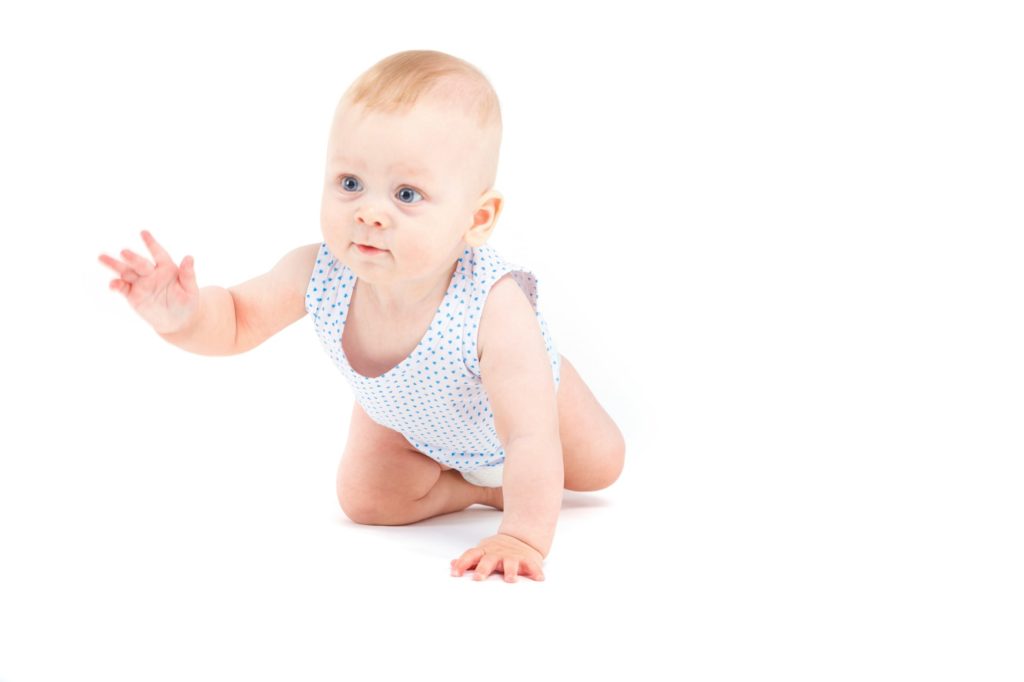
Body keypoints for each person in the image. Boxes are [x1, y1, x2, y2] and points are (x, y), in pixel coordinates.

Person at [97, 50, 625, 583]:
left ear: (477, 218)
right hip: (404, 418)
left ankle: (511, 491)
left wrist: (521, 535)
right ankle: (483, 489)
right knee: (366, 501)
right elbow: (236, 319)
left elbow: (529, 437)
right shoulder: (319, 271)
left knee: (601, 465)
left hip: (524, 412)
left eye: (407, 194)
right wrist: (183, 317)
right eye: (350, 183)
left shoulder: (494, 306)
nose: (369, 212)